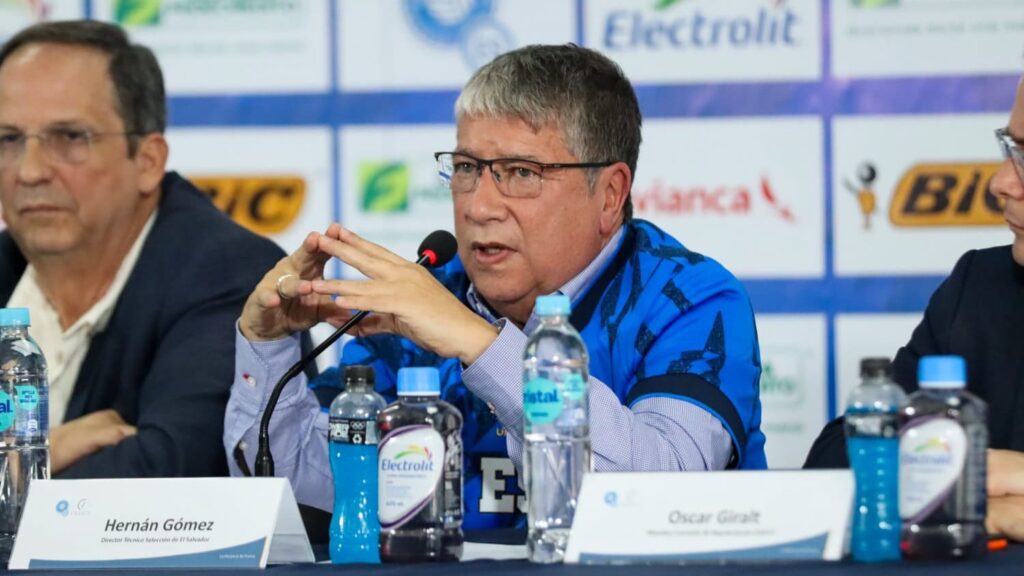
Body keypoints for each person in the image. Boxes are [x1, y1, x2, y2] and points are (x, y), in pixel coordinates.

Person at [225, 44, 766, 530]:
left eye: (522, 172)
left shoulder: (690, 303)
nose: (479, 206)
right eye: (466, 167)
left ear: (609, 194)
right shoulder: (422, 306)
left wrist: (483, 346)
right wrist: (268, 348)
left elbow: (662, 503)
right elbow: (309, 491)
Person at [0, 21, 283, 477]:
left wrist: (20, 466)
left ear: (148, 161)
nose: (30, 172)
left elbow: (168, 472)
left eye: (70, 137)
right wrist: (33, 456)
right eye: (9, 139)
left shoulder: (230, 276)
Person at [804, 77, 1024, 540]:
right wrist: (974, 478)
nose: (1001, 183)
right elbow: (835, 458)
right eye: (1012, 149)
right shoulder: (979, 287)